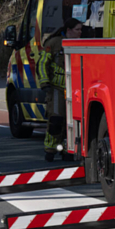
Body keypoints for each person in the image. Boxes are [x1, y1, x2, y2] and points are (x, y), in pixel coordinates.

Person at [36, 18, 83, 162]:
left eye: (81, 30)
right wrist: (45, 82)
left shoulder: (81, 44)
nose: (80, 33)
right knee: (56, 119)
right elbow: (42, 63)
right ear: (68, 30)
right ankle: (50, 150)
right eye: (77, 30)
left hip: (74, 89)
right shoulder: (54, 43)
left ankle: (67, 149)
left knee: (72, 121)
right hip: (56, 88)